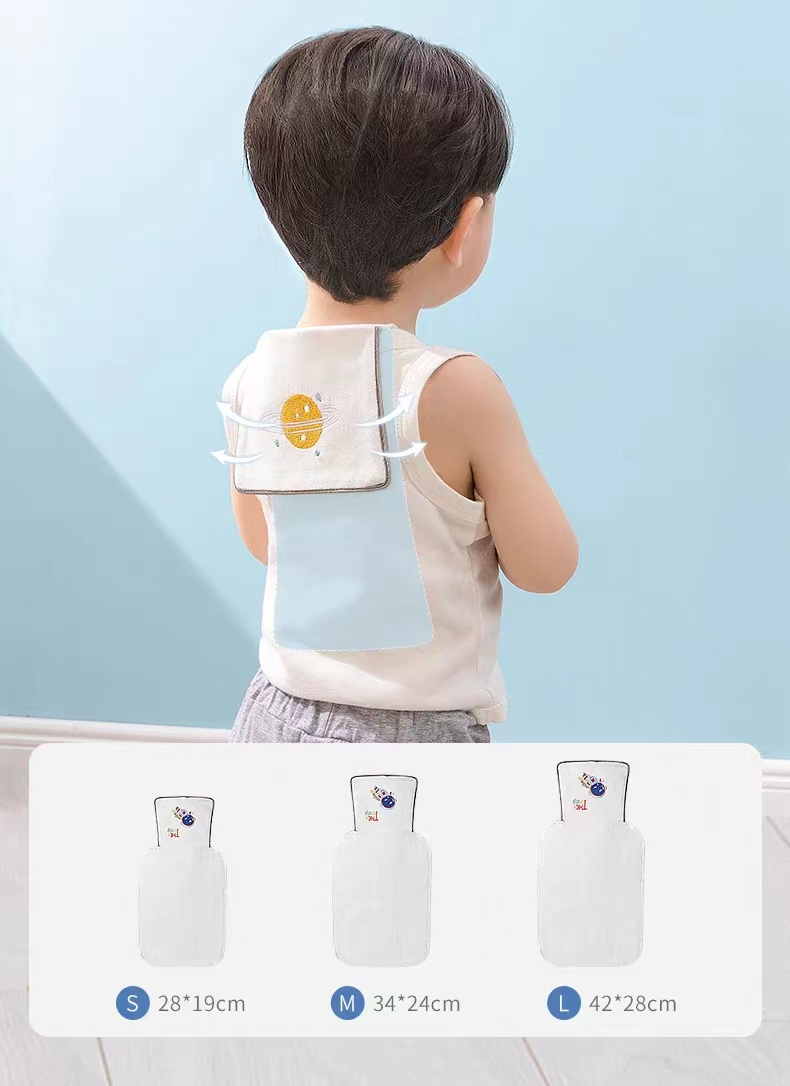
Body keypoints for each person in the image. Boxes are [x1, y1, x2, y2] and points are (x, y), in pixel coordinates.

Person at [223, 26, 578, 744]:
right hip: (411, 741)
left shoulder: (252, 379)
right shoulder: (455, 389)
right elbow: (545, 567)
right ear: (464, 228)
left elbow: (266, 543)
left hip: (273, 716)